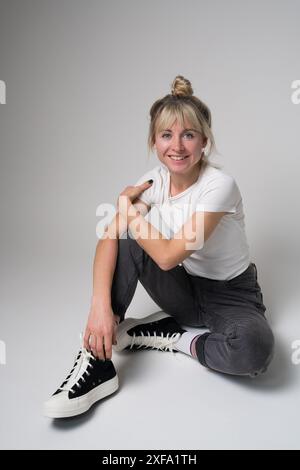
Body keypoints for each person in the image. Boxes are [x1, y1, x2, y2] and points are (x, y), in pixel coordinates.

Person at [43, 75, 275, 418]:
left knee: (254, 352)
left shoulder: (219, 186)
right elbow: (110, 238)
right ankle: (97, 361)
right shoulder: (152, 182)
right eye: (167, 135)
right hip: (184, 287)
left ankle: (174, 337)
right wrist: (99, 307)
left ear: (204, 141)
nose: (177, 146)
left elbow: (166, 257)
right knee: (125, 236)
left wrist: (129, 212)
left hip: (232, 294)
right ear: (154, 140)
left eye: (189, 135)